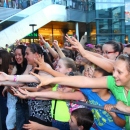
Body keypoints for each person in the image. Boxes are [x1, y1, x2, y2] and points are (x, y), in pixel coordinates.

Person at [26, 53, 130, 130]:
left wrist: (123, 109)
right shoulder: (108, 84)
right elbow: (80, 81)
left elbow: (122, 123)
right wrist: (51, 78)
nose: (114, 75)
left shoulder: (113, 94)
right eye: (114, 71)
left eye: (119, 72)